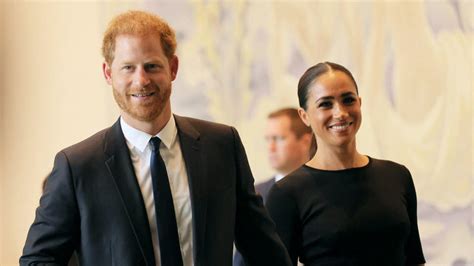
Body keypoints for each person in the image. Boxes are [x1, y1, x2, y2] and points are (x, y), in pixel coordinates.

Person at [20, 10, 292, 266]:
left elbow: (264, 250)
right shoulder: (77, 166)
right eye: (128, 68)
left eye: (151, 66)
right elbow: (37, 260)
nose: (141, 80)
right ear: (108, 74)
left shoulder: (221, 145)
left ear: (173, 68)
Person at [266, 62, 426, 265]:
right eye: (325, 104)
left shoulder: (397, 176)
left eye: (348, 100)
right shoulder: (287, 193)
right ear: (304, 116)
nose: (340, 112)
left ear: (359, 103)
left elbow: (414, 259)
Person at [233, 107, 315, 266]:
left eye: (278, 139)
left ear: (306, 141)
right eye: (268, 139)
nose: (270, 148)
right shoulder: (254, 194)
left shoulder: (323, 191)